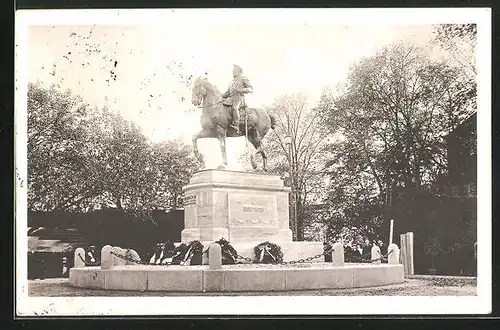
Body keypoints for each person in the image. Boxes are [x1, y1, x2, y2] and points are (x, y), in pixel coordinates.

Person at [221, 64, 253, 133]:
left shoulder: (243, 78)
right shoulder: (232, 82)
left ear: (239, 71)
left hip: (239, 99)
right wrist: (219, 96)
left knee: (234, 108)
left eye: (234, 71)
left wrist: (241, 90)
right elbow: (227, 93)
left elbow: (250, 89)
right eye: (233, 71)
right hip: (230, 99)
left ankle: (236, 125)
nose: (233, 72)